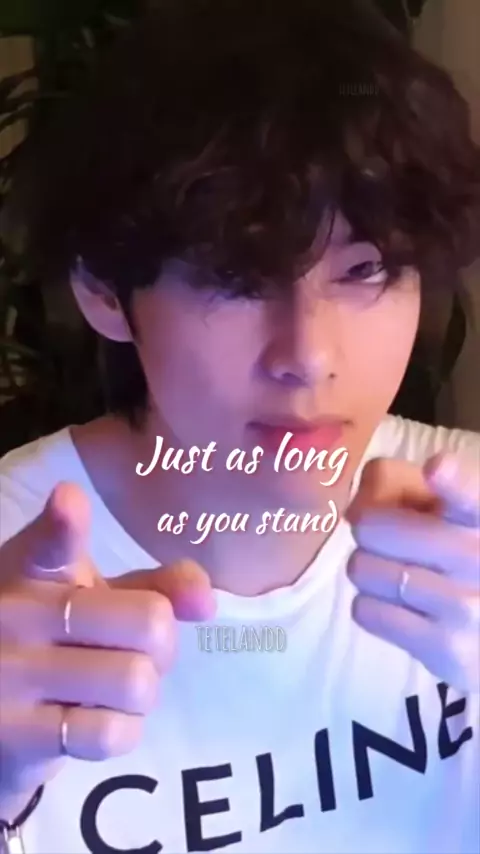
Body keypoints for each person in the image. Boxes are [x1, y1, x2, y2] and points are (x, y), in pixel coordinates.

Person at [0, 1, 479, 852]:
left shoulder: (467, 528)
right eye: (235, 276)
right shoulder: (10, 556)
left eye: (367, 270)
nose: (309, 356)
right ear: (104, 291)